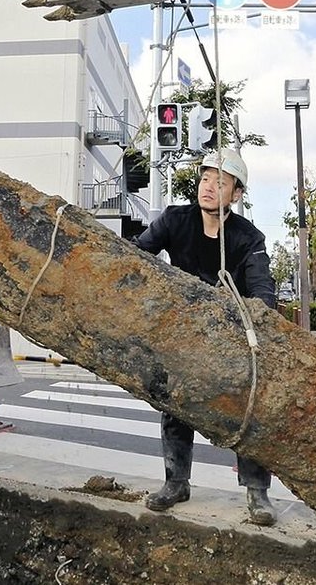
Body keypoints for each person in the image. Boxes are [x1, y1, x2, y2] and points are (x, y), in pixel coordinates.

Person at [131, 148, 279, 526]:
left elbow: (263, 295)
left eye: (220, 182)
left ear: (237, 194)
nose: (209, 187)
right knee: (174, 406)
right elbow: (139, 253)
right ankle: (176, 482)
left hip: (231, 338)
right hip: (184, 332)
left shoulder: (248, 238)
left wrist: (252, 330)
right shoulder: (175, 220)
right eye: (205, 179)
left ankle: (257, 492)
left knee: (248, 411)